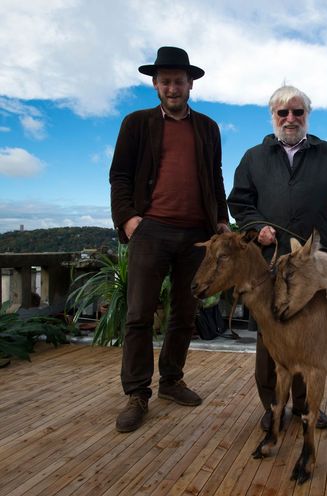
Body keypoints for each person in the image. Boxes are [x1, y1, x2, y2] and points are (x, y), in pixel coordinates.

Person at [228, 85, 327, 432]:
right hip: (269, 264)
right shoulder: (253, 158)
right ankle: (274, 405)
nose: (290, 119)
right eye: (283, 113)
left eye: (297, 112)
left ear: (308, 115)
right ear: (272, 116)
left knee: (313, 334)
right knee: (270, 337)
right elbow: (239, 203)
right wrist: (257, 226)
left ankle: (309, 405)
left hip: (314, 267)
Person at [110, 46, 229, 433]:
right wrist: (129, 221)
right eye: (165, 81)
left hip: (197, 234)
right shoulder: (136, 123)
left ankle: (172, 382)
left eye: (179, 81)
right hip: (151, 230)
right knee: (138, 314)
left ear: (190, 83)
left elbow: (215, 179)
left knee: (185, 313)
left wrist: (221, 221)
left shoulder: (208, 127)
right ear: (155, 84)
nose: (172, 87)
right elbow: (120, 177)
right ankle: (137, 394)